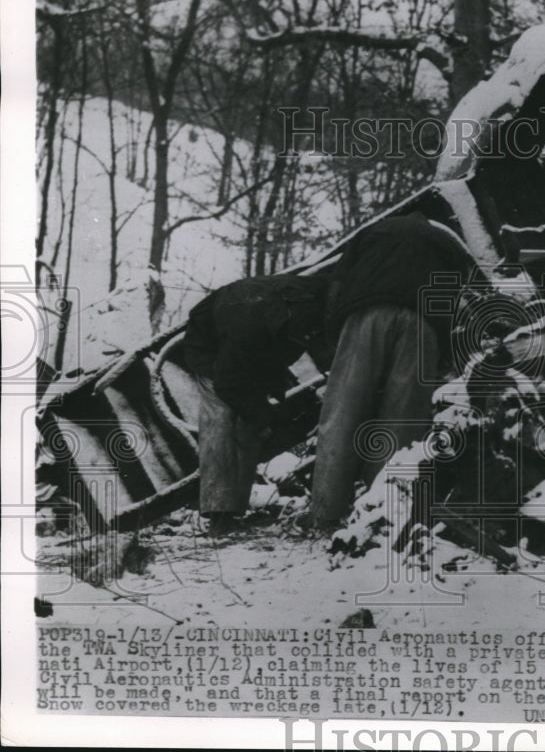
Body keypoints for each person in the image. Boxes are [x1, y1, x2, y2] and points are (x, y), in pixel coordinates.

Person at [307, 212, 474, 530]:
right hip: (421, 324)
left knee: (342, 413)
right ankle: (380, 515)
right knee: (402, 421)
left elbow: (336, 285)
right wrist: (441, 355)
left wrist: (333, 342)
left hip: (364, 314)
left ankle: (325, 514)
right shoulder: (446, 242)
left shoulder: (371, 232)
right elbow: (452, 300)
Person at [183, 273, 330, 532]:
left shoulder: (310, 302)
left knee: (250, 430)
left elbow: (280, 351)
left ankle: (234, 509)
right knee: (221, 421)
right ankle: (219, 514)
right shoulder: (247, 333)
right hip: (211, 346)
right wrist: (262, 414)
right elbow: (227, 382)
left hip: (251, 333)